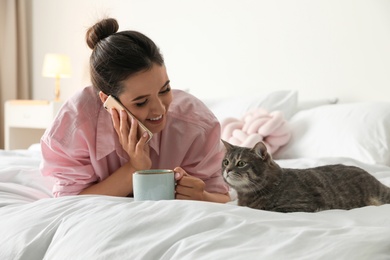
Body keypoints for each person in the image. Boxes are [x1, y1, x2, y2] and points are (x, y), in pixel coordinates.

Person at [40, 18, 230, 203]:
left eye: (164, 90)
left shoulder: (196, 125)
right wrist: (135, 167)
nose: (160, 108)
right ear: (108, 101)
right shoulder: (76, 125)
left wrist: (202, 196)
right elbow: (69, 203)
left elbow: (221, 196)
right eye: (141, 102)